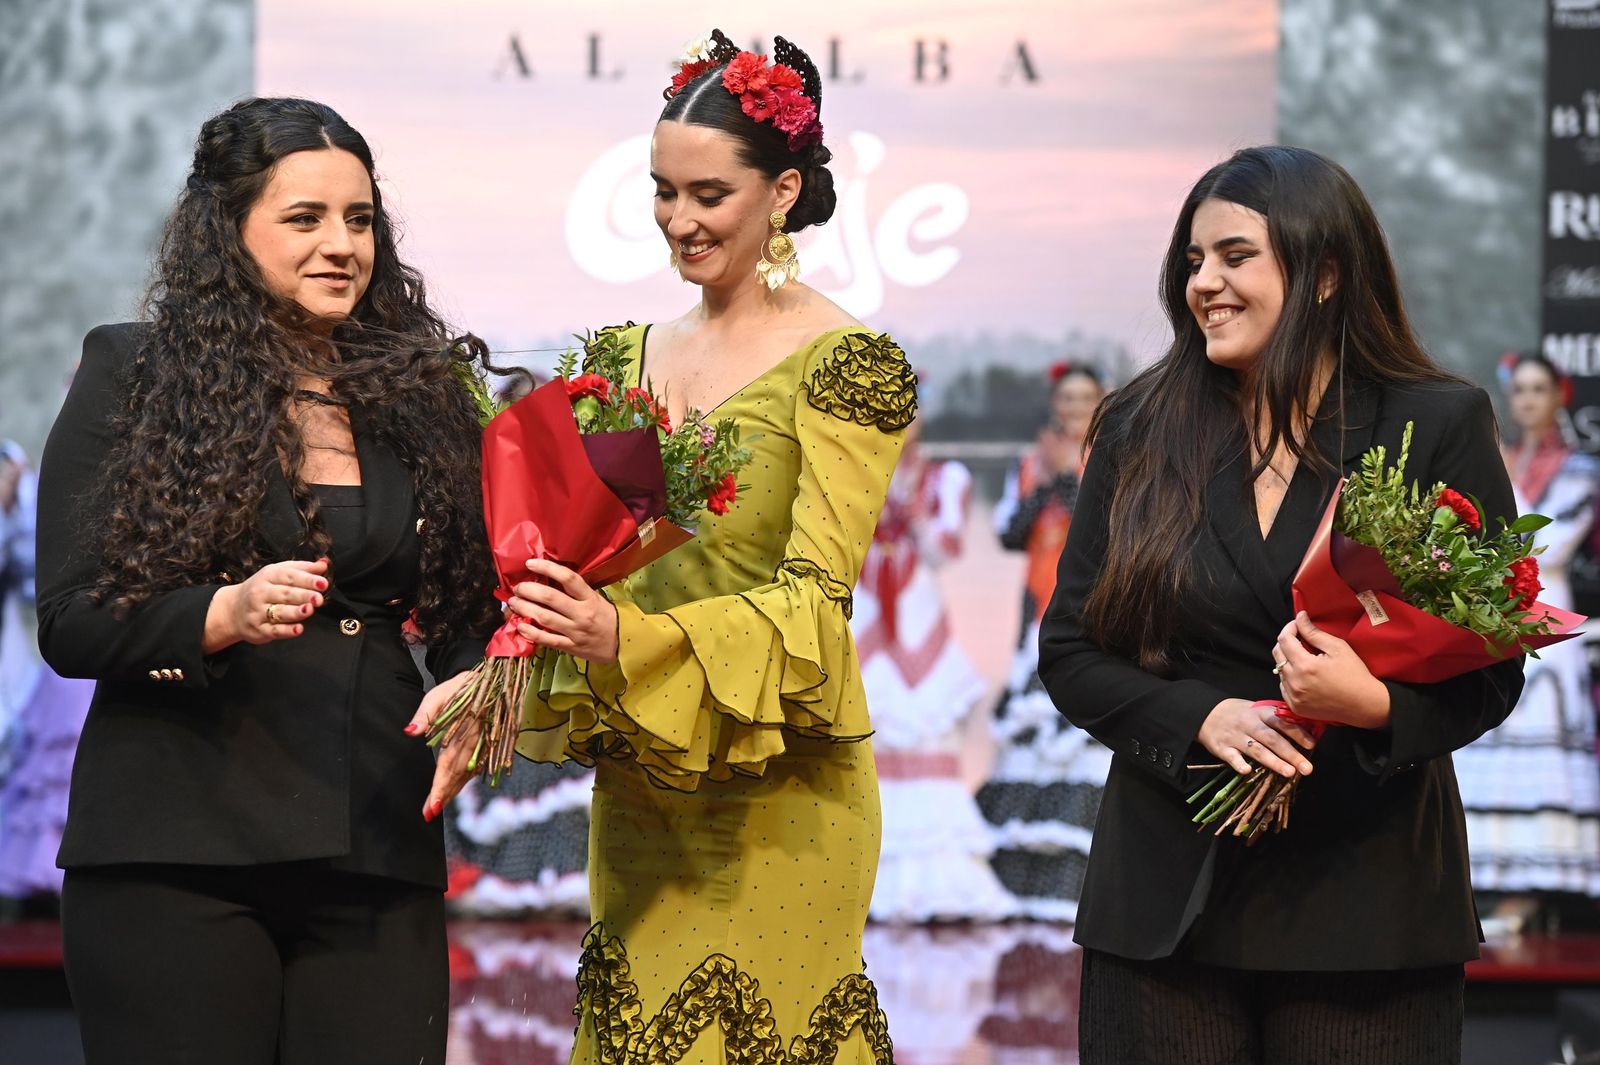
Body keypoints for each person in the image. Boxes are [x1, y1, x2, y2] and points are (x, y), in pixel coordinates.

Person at [425, 30, 912, 1062]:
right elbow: (574, 569)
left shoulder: (848, 364)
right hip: (645, 781)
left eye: (707, 195)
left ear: (782, 192)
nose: (678, 222)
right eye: (661, 192)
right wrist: (496, 681)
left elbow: (815, 604)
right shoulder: (625, 356)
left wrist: (623, 637)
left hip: (785, 785)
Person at [35, 97, 498, 1065]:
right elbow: (73, 620)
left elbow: (466, 603)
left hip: (375, 850)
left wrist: (474, 680)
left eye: (360, 220)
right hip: (175, 853)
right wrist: (220, 613)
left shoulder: (419, 394)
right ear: (227, 230)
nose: (342, 245)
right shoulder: (133, 371)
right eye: (305, 218)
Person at [1038, 145, 1525, 1063]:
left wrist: (1376, 706)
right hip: (1163, 910)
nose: (1204, 284)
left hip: (1369, 906)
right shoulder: (1140, 427)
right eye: (1192, 263)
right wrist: (1201, 718)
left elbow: (1492, 666)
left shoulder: (1435, 422)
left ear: (1328, 273)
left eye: (1233, 256)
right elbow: (1071, 652)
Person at [852, 414, 1014, 923]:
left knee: (926, 735)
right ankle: (858, 883)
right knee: (866, 742)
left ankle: (940, 885)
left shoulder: (948, 478)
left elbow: (946, 550)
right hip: (865, 617)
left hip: (920, 618)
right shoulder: (848, 470)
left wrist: (904, 506)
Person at [1455, 353, 1600, 918]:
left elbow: (1551, 544)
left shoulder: (1582, 471)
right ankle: (1476, 891)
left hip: (1549, 616)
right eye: (1520, 389)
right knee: (1483, 737)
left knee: (1538, 745)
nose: (1529, 400)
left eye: (1540, 389)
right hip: (1495, 615)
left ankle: (1525, 899)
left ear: (1560, 395)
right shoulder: (1497, 460)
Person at [977, 361, 1110, 920]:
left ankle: (1085, 890)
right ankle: (1022, 886)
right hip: (1037, 621)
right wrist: (1050, 477)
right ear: (1055, 403)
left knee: (1084, 747)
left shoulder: (1117, 457)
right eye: (1067, 398)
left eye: (1086, 397)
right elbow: (1009, 534)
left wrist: (1070, 478)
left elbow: (1105, 531)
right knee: (1029, 746)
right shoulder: (1033, 460)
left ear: (1101, 402)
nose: (1075, 407)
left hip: (1096, 620)